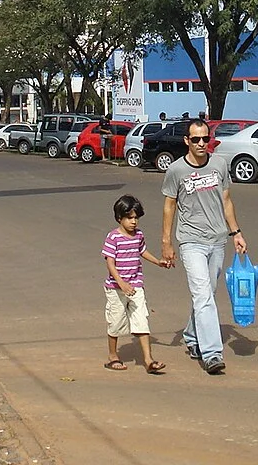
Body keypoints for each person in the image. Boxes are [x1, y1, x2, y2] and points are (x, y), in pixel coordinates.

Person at [161, 118, 247, 376]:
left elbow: (227, 200)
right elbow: (169, 206)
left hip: (217, 239)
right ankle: (212, 353)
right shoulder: (176, 170)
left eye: (204, 138)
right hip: (190, 241)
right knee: (202, 295)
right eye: (195, 139)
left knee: (206, 293)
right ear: (187, 141)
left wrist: (236, 233)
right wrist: (166, 242)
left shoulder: (219, 164)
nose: (201, 143)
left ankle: (191, 335)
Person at [102, 194, 169, 374]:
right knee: (115, 322)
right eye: (129, 217)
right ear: (119, 218)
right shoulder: (113, 237)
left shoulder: (138, 235)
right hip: (116, 288)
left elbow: (142, 252)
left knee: (141, 320)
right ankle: (112, 355)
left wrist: (158, 262)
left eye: (136, 218)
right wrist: (121, 283)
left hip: (136, 284)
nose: (134, 222)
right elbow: (110, 263)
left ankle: (148, 360)